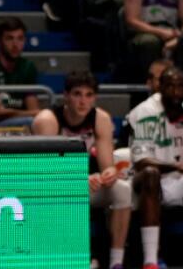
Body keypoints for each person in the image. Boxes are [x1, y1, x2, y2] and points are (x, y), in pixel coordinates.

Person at [34, 72, 133, 269]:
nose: (83, 101)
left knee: (123, 190)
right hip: (49, 188)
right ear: (66, 96)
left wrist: (109, 174)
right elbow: (45, 171)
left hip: (83, 183)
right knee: (75, 190)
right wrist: (80, 179)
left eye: (89, 95)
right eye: (77, 94)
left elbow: (106, 166)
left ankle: (116, 262)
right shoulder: (47, 120)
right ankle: (79, 257)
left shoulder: (100, 118)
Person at [130, 65, 183, 269]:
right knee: (150, 174)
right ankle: (151, 259)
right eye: (170, 86)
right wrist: (176, 165)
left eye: (180, 87)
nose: (176, 92)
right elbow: (141, 160)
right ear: (160, 87)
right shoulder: (145, 112)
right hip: (152, 183)